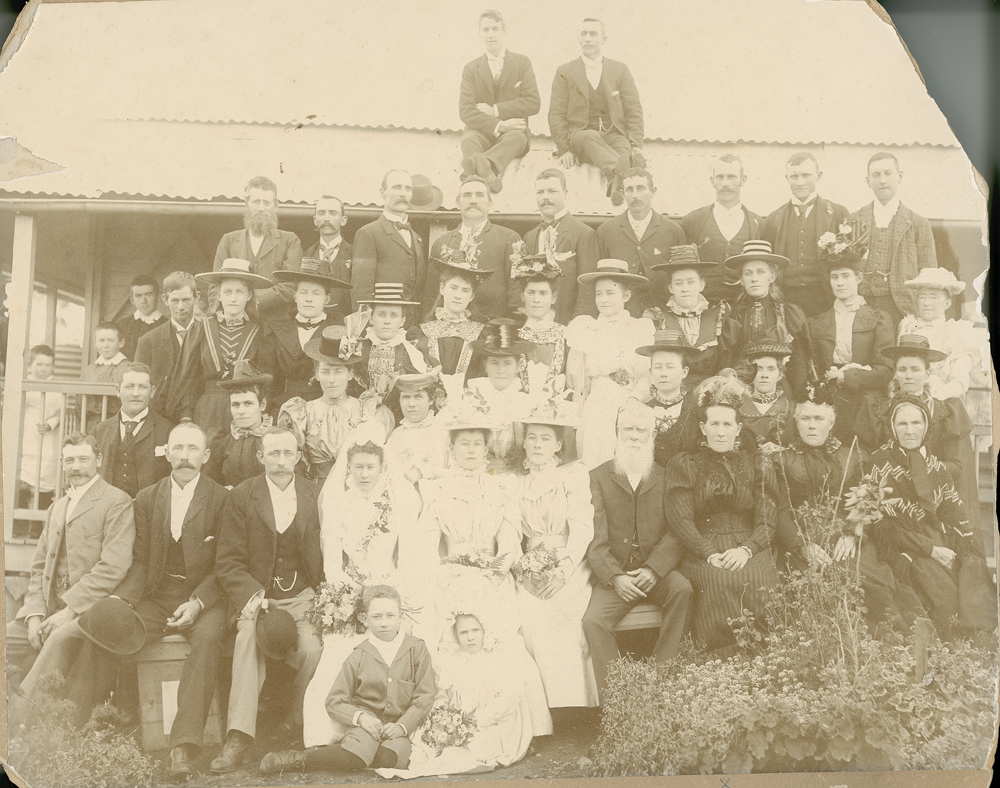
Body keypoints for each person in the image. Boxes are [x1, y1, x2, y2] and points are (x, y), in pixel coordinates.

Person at [65, 423, 229, 778]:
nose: (185, 456)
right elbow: (139, 560)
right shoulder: (148, 497)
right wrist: (123, 600)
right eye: (178, 449)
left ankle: (182, 748)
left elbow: (227, 564)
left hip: (205, 598)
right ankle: (70, 723)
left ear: (206, 455)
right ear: (167, 453)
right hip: (157, 595)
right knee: (109, 628)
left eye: (192, 449)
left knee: (206, 640)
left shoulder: (222, 499)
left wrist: (199, 603)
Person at [417, 419, 554, 736]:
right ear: (451, 449)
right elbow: (426, 542)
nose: (470, 450)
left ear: (486, 449)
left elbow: (509, 540)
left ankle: (503, 719)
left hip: (492, 575)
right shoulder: (437, 490)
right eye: (463, 443)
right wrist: (443, 572)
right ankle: (453, 717)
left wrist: (497, 570)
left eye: (477, 443)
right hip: (450, 572)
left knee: (500, 635)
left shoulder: (500, 489)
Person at [302, 424, 424, 749]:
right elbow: (332, 558)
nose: (365, 474)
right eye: (358, 467)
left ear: (382, 468)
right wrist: (347, 595)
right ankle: (333, 730)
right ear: (348, 467)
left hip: (387, 588)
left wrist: (394, 591)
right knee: (340, 652)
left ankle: (394, 729)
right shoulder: (339, 504)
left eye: (371, 467)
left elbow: (409, 555)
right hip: (351, 592)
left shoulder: (397, 503)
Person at [212, 427, 325, 773]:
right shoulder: (244, 496)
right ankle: (239, 735)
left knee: (314, 648)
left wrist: (323, 594)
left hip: (302, 597)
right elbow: (227, 560)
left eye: (287, 454)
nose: (280, 461)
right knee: (248, 639)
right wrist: (254, 596)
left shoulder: (313, 495)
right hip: (258, 596)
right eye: (272, 454)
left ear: (298, 457)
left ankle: (296, 719)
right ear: (261, 457)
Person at [6, 434, 135, 725]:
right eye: (69, 460)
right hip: (48, 610)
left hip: (89, 611)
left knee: (59, 640)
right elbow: (39, 566)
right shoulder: (57, 507)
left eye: (83, 459)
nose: (76, 467)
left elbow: (113, 567)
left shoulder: (117, 502)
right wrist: (35, 615)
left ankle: (20, 723)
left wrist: (69, 610)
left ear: (99, 461)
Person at [259, 585, 436, 775]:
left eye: (390, 615)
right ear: (364, 619)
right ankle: (299, 759)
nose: (384, 623)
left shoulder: (416, 649)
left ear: (401, 617)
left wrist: (402, 726)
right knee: (356, 757)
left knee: (389, 760)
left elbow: (425, 695)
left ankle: (339, 754)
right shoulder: (358, 656)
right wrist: (362, 718)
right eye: (376, 617)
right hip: (367, 726)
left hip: (397, 728)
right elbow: (334, 702)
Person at [582, 399, 693, 703]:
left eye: (640, 430)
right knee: (593, 621)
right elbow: (594, 536)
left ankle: (660, 682)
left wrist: (653, 569)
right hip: (616, 576)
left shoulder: (666, 475)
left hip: (654, 573)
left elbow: (677, 530)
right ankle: (617, 700)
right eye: (627, 429)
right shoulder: (597, 477)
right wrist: (615, 577)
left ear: (652, 436)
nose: (633, 435)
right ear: (616, 433)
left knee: (682, 590)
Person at [663, 373, 779, 654]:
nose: (720, 431)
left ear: (739, 429)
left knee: (757, 577)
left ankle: (762, 655)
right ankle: (717, 661)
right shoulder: (686, 464)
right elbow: (680, 519)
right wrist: (708, 553)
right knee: (719, 579)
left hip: (748, 544)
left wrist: (747, 550)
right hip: (702, 548)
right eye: (714, 424)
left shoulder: (756, 463)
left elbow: (767, 518)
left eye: (727, 424)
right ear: (702, 428)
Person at [865, 396, 995, 635]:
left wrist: (966, 540)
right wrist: (931, 549)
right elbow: (878, 524)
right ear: (893, 427)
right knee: (943, 598)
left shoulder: (935, 466)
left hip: (934, 538)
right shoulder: (878, 462)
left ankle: (976, 637)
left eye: (916, 423)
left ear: (926, 427)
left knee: (972, 565)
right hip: (902, 545)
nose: (910, 431)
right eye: (902, 424)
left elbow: (953, 509)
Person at [509, 397, 599, 709]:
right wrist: (521, 569)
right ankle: (543, 711)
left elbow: (582, 529)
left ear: (559, 444)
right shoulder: (515, 483)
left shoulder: (572, 476)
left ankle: (574, 705)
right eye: (531, 437)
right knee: (525, 614)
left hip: (570, 563)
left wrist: (563, 572)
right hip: (529, 566)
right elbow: (509, 532)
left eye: (545, 438)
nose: (537, 444)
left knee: (562, 615)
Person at [374, 612, 536, 778]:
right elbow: (443, 697)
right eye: (463, 633)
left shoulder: (498, 659)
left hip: (494, 722)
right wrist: (445, 720)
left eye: (475, 631)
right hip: (460, 722)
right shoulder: (453, 662)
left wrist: (477, 720)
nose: (470, 637)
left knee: (473, 747)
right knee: (429, 740)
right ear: (455, 635)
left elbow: (509, 699)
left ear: (484, 631)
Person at [854, 335, 979, 517]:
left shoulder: (944, 412)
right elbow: (866, 461)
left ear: (927, 374)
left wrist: (921, 470)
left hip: (935, 499)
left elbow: (955, 466)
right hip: (890, 498)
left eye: (915, 369)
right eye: (902, 369)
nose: (909, 376)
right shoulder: (878, 409)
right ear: (895, 373)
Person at [169, 259, 278, 431]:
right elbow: (189, 378)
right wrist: (187, 416)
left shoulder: (261, 332)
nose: (233, 298)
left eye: (239, 292)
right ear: (219, 295)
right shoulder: (200, 329)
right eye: (227, 292)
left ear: (249, 295)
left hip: (247, 410)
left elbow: (269, 379)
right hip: (208, 411)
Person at [566, 259, 654, 469]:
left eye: (610, 293)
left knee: (624, 463)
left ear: (626, 296)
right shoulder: (585, 328)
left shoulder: (639, 328)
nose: (603, 300)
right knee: (593, 462)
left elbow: (646, 375)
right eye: (599, 293)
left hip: (628, 403)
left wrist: (633, 400)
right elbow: (576, 379)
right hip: (594, 405)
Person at [279, 322, 391, 485]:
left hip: (355, 488)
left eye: (338, 372)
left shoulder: (366, 410)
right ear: (317, 374)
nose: (331, 380)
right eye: (325, 372)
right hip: (315, 488)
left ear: (350, 374)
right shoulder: (301, 412)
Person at [548, 18, 644, 204]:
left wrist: (636, 144)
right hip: (581, 137)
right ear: (578, 38)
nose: (588, 39)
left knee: (624, 150)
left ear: (604, 39)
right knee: (589, 136)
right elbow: (556, 114)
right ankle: (627, 175)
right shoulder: (565, 71)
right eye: (584, 34)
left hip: (613, 133)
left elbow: (633, 109)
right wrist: (565, 150)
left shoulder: (620, 69)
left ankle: (616, 183)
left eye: (593, 34)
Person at [808, 253, 894, 442]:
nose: (840, 283)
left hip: (865, 399)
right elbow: (812, 368)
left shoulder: (878, 318)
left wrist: (847, 377)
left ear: (859, 278)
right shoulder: (818, 322)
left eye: (846, 276)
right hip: (829, 398)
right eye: (834, 277)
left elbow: (886, 371)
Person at [851, 152, 938, 325]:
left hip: (901, 307)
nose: (882, 180)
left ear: (900, 176)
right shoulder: (854, 220)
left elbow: (929, 275)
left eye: (888, 173)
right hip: (861, 304)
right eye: (876, 175)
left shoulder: (918, 223)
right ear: (868, 181)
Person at [459, 9, 540, 192]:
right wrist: (499, 125)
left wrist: (495, 110)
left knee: (517, 137)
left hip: (513, 133)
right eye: (485, 30)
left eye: (495, 29)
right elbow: (466, 111)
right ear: (479, 34)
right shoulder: (471, 68)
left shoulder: (522, 62)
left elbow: (533, 102)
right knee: (467, 141)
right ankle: (488, 176)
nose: (490, 35)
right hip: (481, 131)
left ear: (504, 30)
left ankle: (481, 168)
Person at [760, 152, 849, 317]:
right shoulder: (774, 218)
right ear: (787, 178)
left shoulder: (838, 212)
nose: (800, 182)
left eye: (806, 175)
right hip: (786, 299)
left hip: (826, 298)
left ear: (818, 176)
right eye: (794, 176)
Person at [722, 239, 811, 396]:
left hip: (781, 388)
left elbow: (800, 364)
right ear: (741, 280)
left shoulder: (789, 314)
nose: (754, 278)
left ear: (772, 277)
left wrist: (798, 396)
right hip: (742, 388)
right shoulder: (733, 315)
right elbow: (727, 360)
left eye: (761, 272)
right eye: (748, 273)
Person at [424, 176, 520, 320]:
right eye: (467, 195)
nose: (473, 200)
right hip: (449, 330)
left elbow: (516, 290)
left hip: (491, 329)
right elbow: (431, 294)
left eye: (479, 195)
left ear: (490, 203)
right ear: (458, 203)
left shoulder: (508, 239)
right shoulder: (441, 243)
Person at [212, 176, 304, 318]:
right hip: (236, 323)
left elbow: (291, 286)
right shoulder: (228, 240)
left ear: (276, 206)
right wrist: (217, 312)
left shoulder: (289, 240)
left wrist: (252, 300)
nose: (261, 208)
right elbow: (215, 284)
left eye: (266, 203)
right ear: (246, 204)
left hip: (276, 326)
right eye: (256, 202)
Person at [596, 168, 685, 316]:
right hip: (621, 317)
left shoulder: (673, 230)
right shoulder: (606, 231)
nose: (635, 195)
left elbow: (681, 275)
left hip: (664, 315)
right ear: (623, 194)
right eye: (629, 189)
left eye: (641, 188)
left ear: (653, 192)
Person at [517, 169, 600, 323]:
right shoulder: (530, 236)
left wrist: (579, 323)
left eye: (552, 191)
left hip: (568, 324)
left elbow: (588, 288)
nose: (545, 197)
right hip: (534, 324)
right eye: (540, 192)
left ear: (565, 193)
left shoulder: (584, 233)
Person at [409, 247, 492, 403]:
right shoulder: (422, 333)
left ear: (472, 295)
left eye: (465, 290)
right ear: (442, 288)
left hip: (469, 406)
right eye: (453, 288)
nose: (458, 296)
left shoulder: (481, 334)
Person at [267, 257, 352, 407]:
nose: (308, 299)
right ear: (295, 296)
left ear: (327, 299)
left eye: (316, 293)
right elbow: (270, 375)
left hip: (326, 403)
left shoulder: (339, 329)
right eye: (303, 292)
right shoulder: (277, 329)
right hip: (286, 404)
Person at [680, 155, 763, 304]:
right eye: (720, 177)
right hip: (703, 309)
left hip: (744, 308)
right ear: (712, 181)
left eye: (731, 177)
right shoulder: (693, 221)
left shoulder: (758, 224)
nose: (725, 183)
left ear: (743, 180)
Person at [645, 244, 732, 388]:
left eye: (691, 282)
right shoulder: (658, 319)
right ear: (670, 288)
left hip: (710, 392)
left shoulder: (718, 318)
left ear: (701, 284)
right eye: (679, 283)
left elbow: (728, 364)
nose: (685, 289)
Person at [351, 170, 441, 305]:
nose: (403, 193)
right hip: (382, 322)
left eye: (408, 189)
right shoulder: (368, 233)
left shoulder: (416, 238)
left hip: (411, 323)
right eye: (397, 187)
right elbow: (361, 289)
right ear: (382, 193)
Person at [897, 267, 983, 401]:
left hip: (942, 402)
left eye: (933, 297)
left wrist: (931, 400)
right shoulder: (907, 327)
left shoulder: (957, 333)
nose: (926, 303)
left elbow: (959, 383)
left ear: (947, 303)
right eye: (922, 297)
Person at [91, 362, 173, 499]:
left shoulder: (167, 431)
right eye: (129, 386)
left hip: (150, 513)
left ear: (152, 392)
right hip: (111, 512)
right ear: (118, 390)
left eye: (142, 387)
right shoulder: (100, 431)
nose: (136, 393)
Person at [464, 320, 533, 473]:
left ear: (518, 367)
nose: (500, 370)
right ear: (485, 366)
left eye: (507, 363)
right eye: (494, 363)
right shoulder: (471, 400)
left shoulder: (527, 402)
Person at [135, 271, 199, 419]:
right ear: (165, 299)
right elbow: (139, 382)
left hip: (199, 415)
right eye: (175, 300)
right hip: (161, 417)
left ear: (197, 298)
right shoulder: (148, 341)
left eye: (186, 300)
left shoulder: (208, 335)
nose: (181, 307)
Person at [352, 283, 426, 409]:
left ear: (402, 321)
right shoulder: (357, 349)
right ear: (371, 318)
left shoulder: (411, 352)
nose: (387, 321)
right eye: (381, 314)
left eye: (394, 315)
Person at [636, 330, 701, 467]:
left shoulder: (697, 410)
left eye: (670, 367)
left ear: (684, 372)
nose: (663, 374)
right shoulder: (640, 411)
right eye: (658, 367)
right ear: (651, 372)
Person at [206, 361, 273, 488]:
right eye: (235, 405)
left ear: (262, 404)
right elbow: (212, 484)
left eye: (248, 403)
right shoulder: (221, 443)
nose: (241, 411)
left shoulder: (276, 440)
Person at [510, 252, 567, 397]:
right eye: (531, 293)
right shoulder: (513, 334)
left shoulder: (566, 335)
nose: (536, 299)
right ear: (522, 296)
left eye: (543, 293)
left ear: (553, 297)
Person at [384, 369, 451, 486]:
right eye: (405, 397)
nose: (411, 404)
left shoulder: (442, 431)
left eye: (418, 397)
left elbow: (450, 472)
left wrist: (421, 472)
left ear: (431, 400)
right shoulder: (396, 434)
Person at [18, 345, 62, 513]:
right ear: (31, 365)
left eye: (48, 365)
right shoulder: (25, 383)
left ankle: (38, 526)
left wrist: (50, 424)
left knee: (44, 477)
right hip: (25, 433)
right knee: (22, 479)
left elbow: (59, 412)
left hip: (47, 437)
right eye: (40, 364)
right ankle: (19, 524)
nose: (44, 369)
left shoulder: (57, 387)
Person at [736, 341, 795, 451]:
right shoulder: (737, 407)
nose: (764, 375)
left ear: (780, 375)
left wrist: (783, 451)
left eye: (771, 369)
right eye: (758, 369)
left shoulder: (791, 410)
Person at [304, 195, 354, 315]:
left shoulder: (355, 253)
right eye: (321, 213)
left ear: (343, 220)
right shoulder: (307, 255)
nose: (326, 218)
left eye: (333, 213)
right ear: (315, 220)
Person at [80, 322, 126, 425]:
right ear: (95, 343)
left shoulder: (128, 369)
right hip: (91, 424)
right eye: (101, 340)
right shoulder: (89, 370)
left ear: (121, 343)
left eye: (110, 340)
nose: (105, 345)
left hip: (117, 423)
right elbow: (80, 404)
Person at [116, 274, 167, 361]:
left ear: (157, 297)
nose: (144, 301)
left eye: (148, 295)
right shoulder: (122, 325)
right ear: (132, 300)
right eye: (138, 296)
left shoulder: (168, 325)